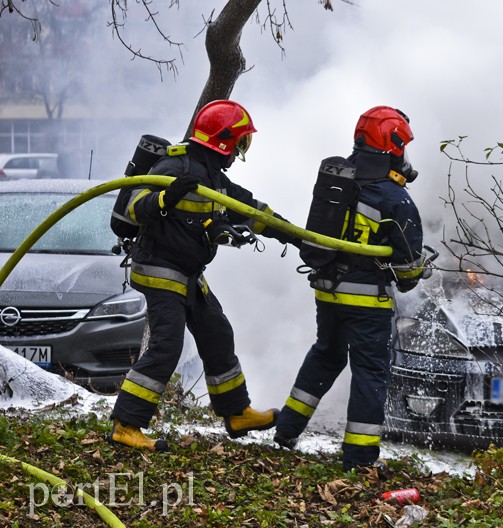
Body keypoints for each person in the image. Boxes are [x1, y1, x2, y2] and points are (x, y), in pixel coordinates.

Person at [109, 99, 300, 451]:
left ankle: (236, 412)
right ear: (225, 141)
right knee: (166, 345)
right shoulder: (173, 165)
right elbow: (135, 207)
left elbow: (253, 212)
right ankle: (126, 424)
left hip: (187, 272)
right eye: (241, 142)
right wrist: (165, 198)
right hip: (159, 268)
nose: (241, 150)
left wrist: (298, 237)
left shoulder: (214, 178)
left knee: (216, 332)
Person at [273, 106, 429, 472]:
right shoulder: (394, 198)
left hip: (327, 290)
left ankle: (287, 429)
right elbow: (406, 272)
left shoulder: (336, 179)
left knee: (326, 354)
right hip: (366, 302)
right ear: (393, 145)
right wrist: (418, 270)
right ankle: (360, 459)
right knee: (370, 373)